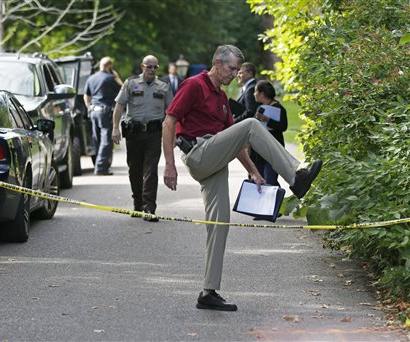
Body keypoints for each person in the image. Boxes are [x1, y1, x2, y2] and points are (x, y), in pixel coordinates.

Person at [162, 45, 322, 311]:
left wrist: (254, 172)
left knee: (219, 223)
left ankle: (208, 292)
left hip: (215, 157)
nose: (235, 74)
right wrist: (169, 165)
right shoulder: (194, 85)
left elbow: (234, 142)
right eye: (231, 68)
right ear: (216, 62)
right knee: (250, 124)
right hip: (199, 153)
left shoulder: (223, 98)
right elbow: (169, 122)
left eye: (238, 70)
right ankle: (295, 176)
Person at [112, 55, 173, 222]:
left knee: (151, 171)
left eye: (155, 67)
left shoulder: (163, 86)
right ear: (142, 67)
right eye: (149, 67)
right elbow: (120, 105)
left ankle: (149, 208)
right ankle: (137, 204)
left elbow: (171, 113)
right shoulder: (130, 84)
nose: (152, 70)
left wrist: (173, 135)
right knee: (135, 170)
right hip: (134, 133)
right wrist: (115, 128)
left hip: (154, 133)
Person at [84, 56, 123, 175]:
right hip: (104, 112)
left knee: (97, 139)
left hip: (93, 111)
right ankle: (100, 168)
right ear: (110, 66)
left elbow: (86, 96)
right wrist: (116, 76)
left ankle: (100, 165)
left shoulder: (91, 78)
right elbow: (123, 89)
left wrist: (89, 108)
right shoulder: (110, 78)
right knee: (106, 140)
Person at [251, 80, 288, 186]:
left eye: (255, 92)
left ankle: (276, 201)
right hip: (258, 152)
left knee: (270, 179)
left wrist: (268, 120)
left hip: (273, 150)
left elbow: (283, 127)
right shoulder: (260, 108)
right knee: (259, 180)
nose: (254, 94)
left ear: (262, 94)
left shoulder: (279, 108)